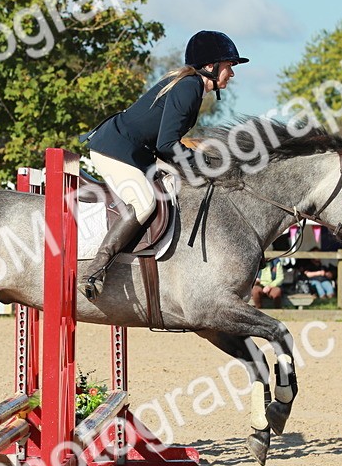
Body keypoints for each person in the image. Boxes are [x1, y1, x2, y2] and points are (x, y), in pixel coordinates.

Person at [81, 30, 248, 299]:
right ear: (210, 67)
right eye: (229, 66)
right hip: (115, 149)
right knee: (145, 203)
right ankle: (95, 270)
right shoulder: (189, 87)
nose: (232, 73)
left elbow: (166, 144)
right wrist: (202, 163)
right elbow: (167, 145)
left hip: (136, 153)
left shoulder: (190, 86)